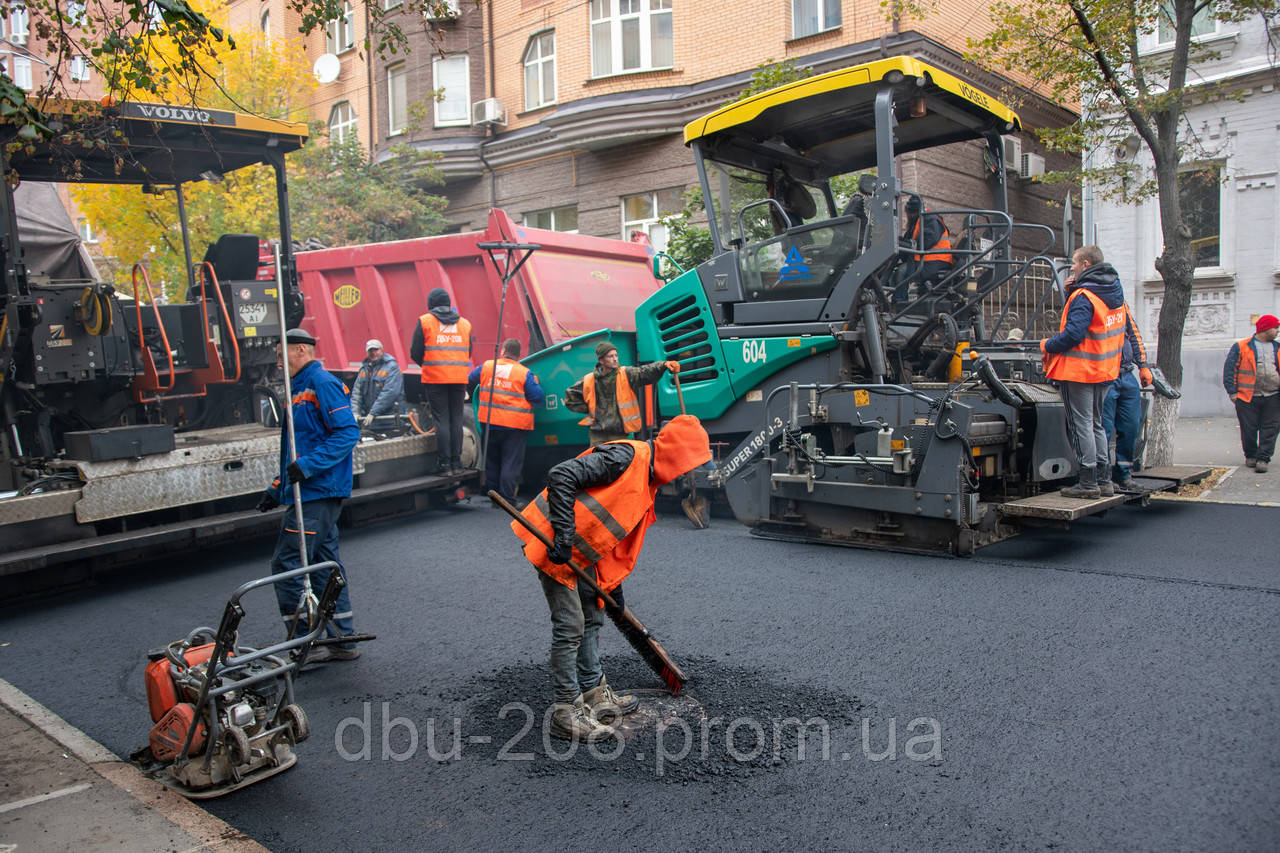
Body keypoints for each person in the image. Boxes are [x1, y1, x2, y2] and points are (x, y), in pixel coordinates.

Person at [511, 414, 711, 742]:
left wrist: (612, 586)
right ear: (677, 453)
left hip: (579, 550)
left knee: (592, 616)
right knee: (570, 625)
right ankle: (566, 711)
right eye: (688, 464)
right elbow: (561, 475)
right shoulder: (625, 457)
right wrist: (562, 536)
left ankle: (594, 694)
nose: (686, 473)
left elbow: (608, 536)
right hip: (552, 541)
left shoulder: (647, 481)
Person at [257, 328, 362, 662]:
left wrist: (307, 468)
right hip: (312, 488)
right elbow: (298, 447)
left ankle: (302, 643)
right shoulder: (299, 388)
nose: (277, 363)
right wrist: (278, 487)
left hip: (319, 490)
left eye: (280, 355)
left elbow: (347, 433)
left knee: (287, 563)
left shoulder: (322, 384)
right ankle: (342, 640)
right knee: (322, 564)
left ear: (301, 350)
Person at [1040, 245, 1126, 499]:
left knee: (1081, 426)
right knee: (1096, 424)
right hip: (1105, 369)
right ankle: (1103, 479)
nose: (1073, 268)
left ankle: (1088, 483)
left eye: (1075, 264)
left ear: (1086, 264)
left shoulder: (1084, 296)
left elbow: (1074, 334)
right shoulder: (1113, 293)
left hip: (1080, 370)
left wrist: (1047, 345)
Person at [468, 338, 545, 503]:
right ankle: (507, 498)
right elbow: (537, 396)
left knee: (492, 460)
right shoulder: (523, 372)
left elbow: (471, 379)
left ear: (502, 351)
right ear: (518, 355)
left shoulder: (487, 366)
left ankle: (493, 494)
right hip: (514, 425)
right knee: (510, 461)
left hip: (488, 422)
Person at [563, 340, 679, 446]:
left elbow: (645, 371)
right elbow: (570, 396)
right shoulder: (590, 379)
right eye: (610, 356)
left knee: (622, 466)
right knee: (598, 466)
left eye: (616, 355)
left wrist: (663, 365)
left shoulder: (626, 374)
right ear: (601, 360)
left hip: (621, 434)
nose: (615, 359)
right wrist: (589, 409)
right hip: (598, 435)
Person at [410, 287, 473, 475]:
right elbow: (468, 351)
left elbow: (415, 351)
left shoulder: (425, 321)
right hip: (459, 378)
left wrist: (429, 364)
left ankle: (444, 464)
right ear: (448, 303)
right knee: (456, 420)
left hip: (435, 378)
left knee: (442, 420)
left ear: (431, 304)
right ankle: (456, 462)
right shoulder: (465, 324)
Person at [1102, 308, 1155, 490]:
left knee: (1131, 427)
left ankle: (1123, 475)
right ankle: (1103, 478)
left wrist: (1143, 365)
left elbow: (1134, 336)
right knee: (1104, 430)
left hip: (1126, 375)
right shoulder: (1090, 298)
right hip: (1104, 376)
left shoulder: (1121, 306)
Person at [1223, 314, 1280, 473]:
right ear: (1265, 328)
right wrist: (1233, 392)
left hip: (1273, 395)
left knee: (1271, 428)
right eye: (1275, 328)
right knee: (1249, 428)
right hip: (1247, 396)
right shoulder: (1241, 346)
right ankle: (1251, 456)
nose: (1277, 331)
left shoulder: (1278, 347)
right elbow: (1229, 370)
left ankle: (1263, 459)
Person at [895, 195, 954, 301]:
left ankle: (899, 302)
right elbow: (909, 241)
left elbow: (927, 241)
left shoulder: (931, 219)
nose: (907, 216)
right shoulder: (918, 222)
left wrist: (907, 245)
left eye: (908, 213)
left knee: (901, 271)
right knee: (895, 269)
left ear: (912, 213)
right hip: (928, 261)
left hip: (935, 262)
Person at [350, 339, 405, 429]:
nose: (373, 353)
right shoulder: (364, 369)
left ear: (382, 350)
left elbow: (389, 393)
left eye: (376, 350)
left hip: (390, 420)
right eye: (370, 350)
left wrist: (373, 412)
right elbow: (357, 393)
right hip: (372, 419)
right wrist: (355, 412)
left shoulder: (392, 367)